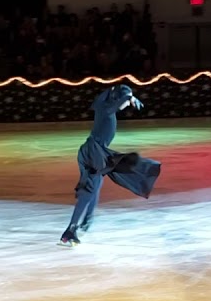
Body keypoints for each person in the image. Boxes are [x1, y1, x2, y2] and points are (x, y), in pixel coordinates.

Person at [60, 84, 161, 246]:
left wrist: (128, 97)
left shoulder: (104, 107)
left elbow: (113, 101)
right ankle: (70, 231)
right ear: (117, 98)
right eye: (125, 101)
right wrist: (129, 97)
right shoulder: (107, 110)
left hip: (91, 151)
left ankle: (86, 222)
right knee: (89, 191)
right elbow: (115, 104)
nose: (127, 105)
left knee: (95, 186)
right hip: (93, 152)